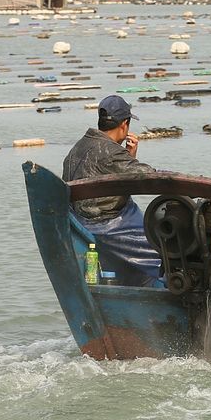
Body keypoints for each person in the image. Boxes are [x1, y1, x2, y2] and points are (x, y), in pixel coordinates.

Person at [63, 95, 162, 287]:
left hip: (79, 223)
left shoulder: (77, 148)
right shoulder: (112, 152)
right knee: (166, 253)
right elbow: (149, 176)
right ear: (125, 124)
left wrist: (129, 156)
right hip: (109, 226)